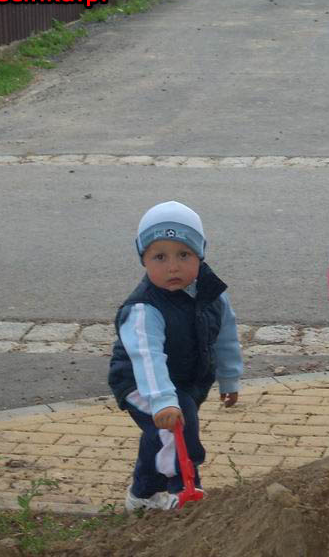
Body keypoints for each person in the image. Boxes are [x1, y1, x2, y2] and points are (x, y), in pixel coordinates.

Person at [108, 201, 243, 510]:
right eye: (160, 257)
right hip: (140, 382)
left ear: (200, 254)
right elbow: (147, 357)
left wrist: (229, 378)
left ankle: (142, 493)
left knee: (160, 433)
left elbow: (225, 337)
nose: (172, 267)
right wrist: (162, 401)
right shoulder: (144, 308)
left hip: (185, 380)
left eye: (184, 255)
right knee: (175, 426)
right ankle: (182, 488)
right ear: (143, 259)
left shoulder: (212, 294)